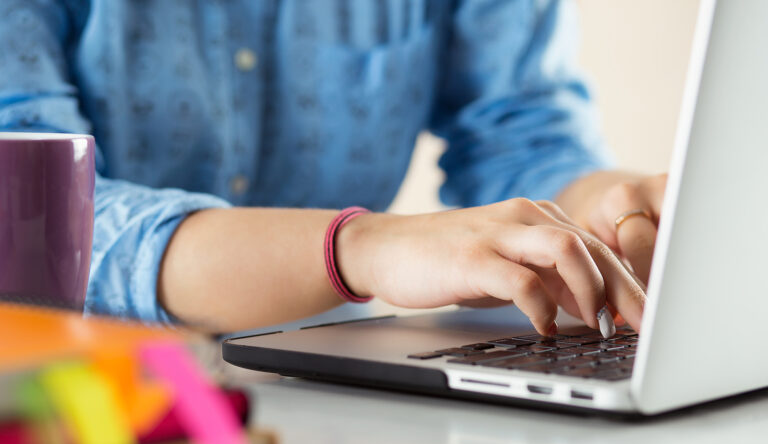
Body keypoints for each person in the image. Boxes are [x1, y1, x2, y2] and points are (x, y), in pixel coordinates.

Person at [0, 0, 663, 336]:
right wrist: (359, 247)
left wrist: (603, 207)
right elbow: (33, 227)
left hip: (326, 396)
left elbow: (518, 132)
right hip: (69, 407)